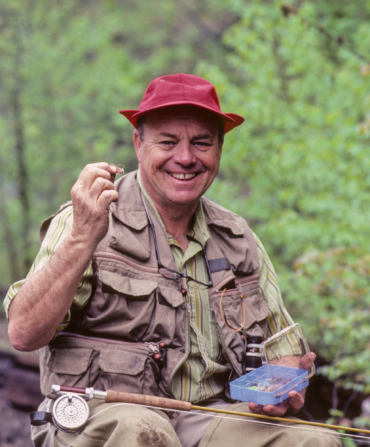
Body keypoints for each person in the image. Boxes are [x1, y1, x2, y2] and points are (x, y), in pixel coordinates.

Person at [4, 74, 339, 447]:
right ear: (138, 145)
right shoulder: (85, 218)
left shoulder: (239, 237)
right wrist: (83, 237)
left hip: (208, 418)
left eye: (201, 143)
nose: (185, 157)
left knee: (313, 441)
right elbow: (23, 333)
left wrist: (285, 382)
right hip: (99, 415)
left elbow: (284, 349)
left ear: (219, 151)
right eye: (167, 142)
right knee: (145, 433)